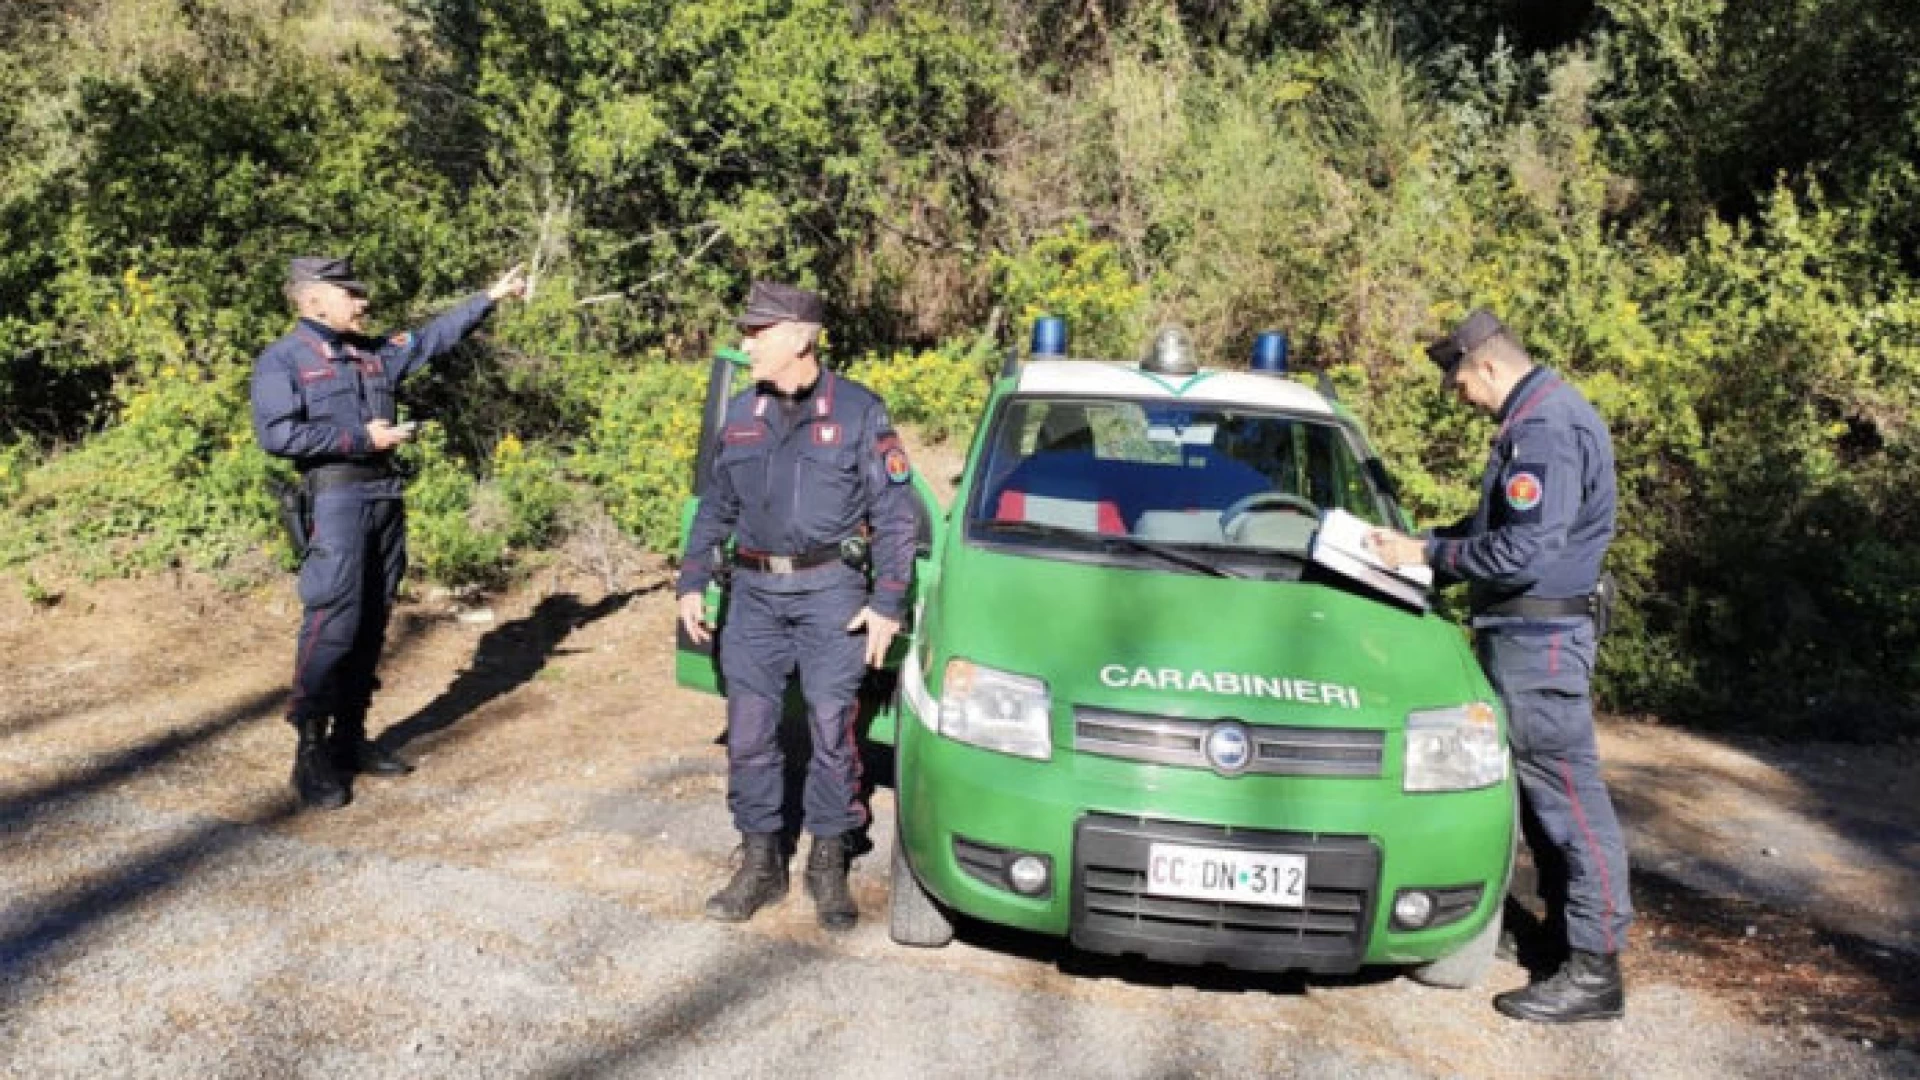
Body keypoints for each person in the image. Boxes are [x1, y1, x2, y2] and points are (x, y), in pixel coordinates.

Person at [1366, 309, 1632, 1023]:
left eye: (1459, 385)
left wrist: (1428, 558)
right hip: (1525, 636)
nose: (1460, 398)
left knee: (1570, 803)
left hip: (1539, 642)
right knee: (1543, 803)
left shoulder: (1544, 430)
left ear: (1487, 365)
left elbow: (1525, 554)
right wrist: (1418, 546)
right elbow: (1497, 534)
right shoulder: (1541, 417)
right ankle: (1558, 943)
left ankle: (1595, 969)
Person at [676, 281, 918, 932]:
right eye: (747, 331)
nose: (746, 342)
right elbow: (715, 507)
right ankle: (760, 861)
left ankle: (828, 860)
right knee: (750, 737)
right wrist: (693, 578)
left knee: (832, 732)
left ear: (801, 338)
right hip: (753, 596)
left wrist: (888, 602)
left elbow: (895, 515)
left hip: (829, 596)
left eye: (759, 331)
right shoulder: (741, 413)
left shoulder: (860, 411)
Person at [251, 255, 528, 810]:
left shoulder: (372, 355)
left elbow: (429, 341)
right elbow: (277, 435)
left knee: (374, 620)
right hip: (334, 499)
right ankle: (311, 754)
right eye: (350, 294)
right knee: (334, 620)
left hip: (383, 499)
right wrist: (361, 439)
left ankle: (350, 739)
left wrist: (489, 299)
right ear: (313, 301)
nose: (363, 302)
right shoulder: (284, 360)